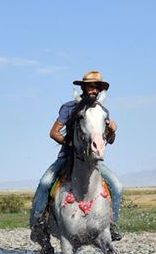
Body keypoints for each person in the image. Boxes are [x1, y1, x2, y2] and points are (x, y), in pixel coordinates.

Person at [30, 71, 123, 242]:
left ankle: (112, 225)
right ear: (84, 87)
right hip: (67, 157)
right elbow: (54, 132)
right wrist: (72, 145)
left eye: (97, 87)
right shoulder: (69, 108)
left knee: (117, 186)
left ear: (100, 90)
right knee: (45, 183)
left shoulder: (102, 111)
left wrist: (111, 130)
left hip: (92, 161)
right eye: (90, 86)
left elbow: (109, 140)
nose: (93, 90)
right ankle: (38, 224)